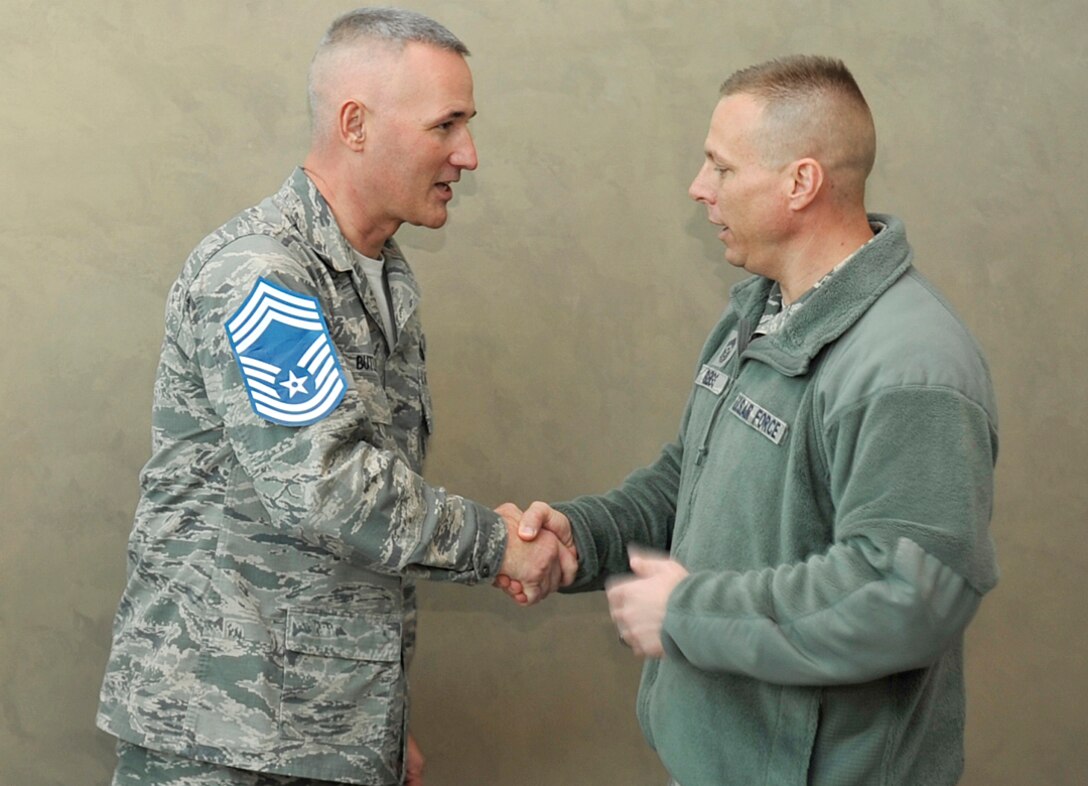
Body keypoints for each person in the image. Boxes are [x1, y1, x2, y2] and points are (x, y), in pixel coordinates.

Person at [96, 8, 576, 786]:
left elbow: (347, 544)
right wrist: (497, 544)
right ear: (355, 124)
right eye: (445, 125)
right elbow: (329, 486)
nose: (469, 154)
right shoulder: (262, 276)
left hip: (318, 729)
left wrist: (377, 721)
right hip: (223, 738)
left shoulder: (382, 276)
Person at [506, 56, 999, 785]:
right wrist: (585, 538)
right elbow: (693, 482)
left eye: (721, 168)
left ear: (800, 183)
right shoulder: (758, 313)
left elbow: (903, 598)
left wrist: (687, 612)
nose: (699, 189)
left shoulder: (910, 370)